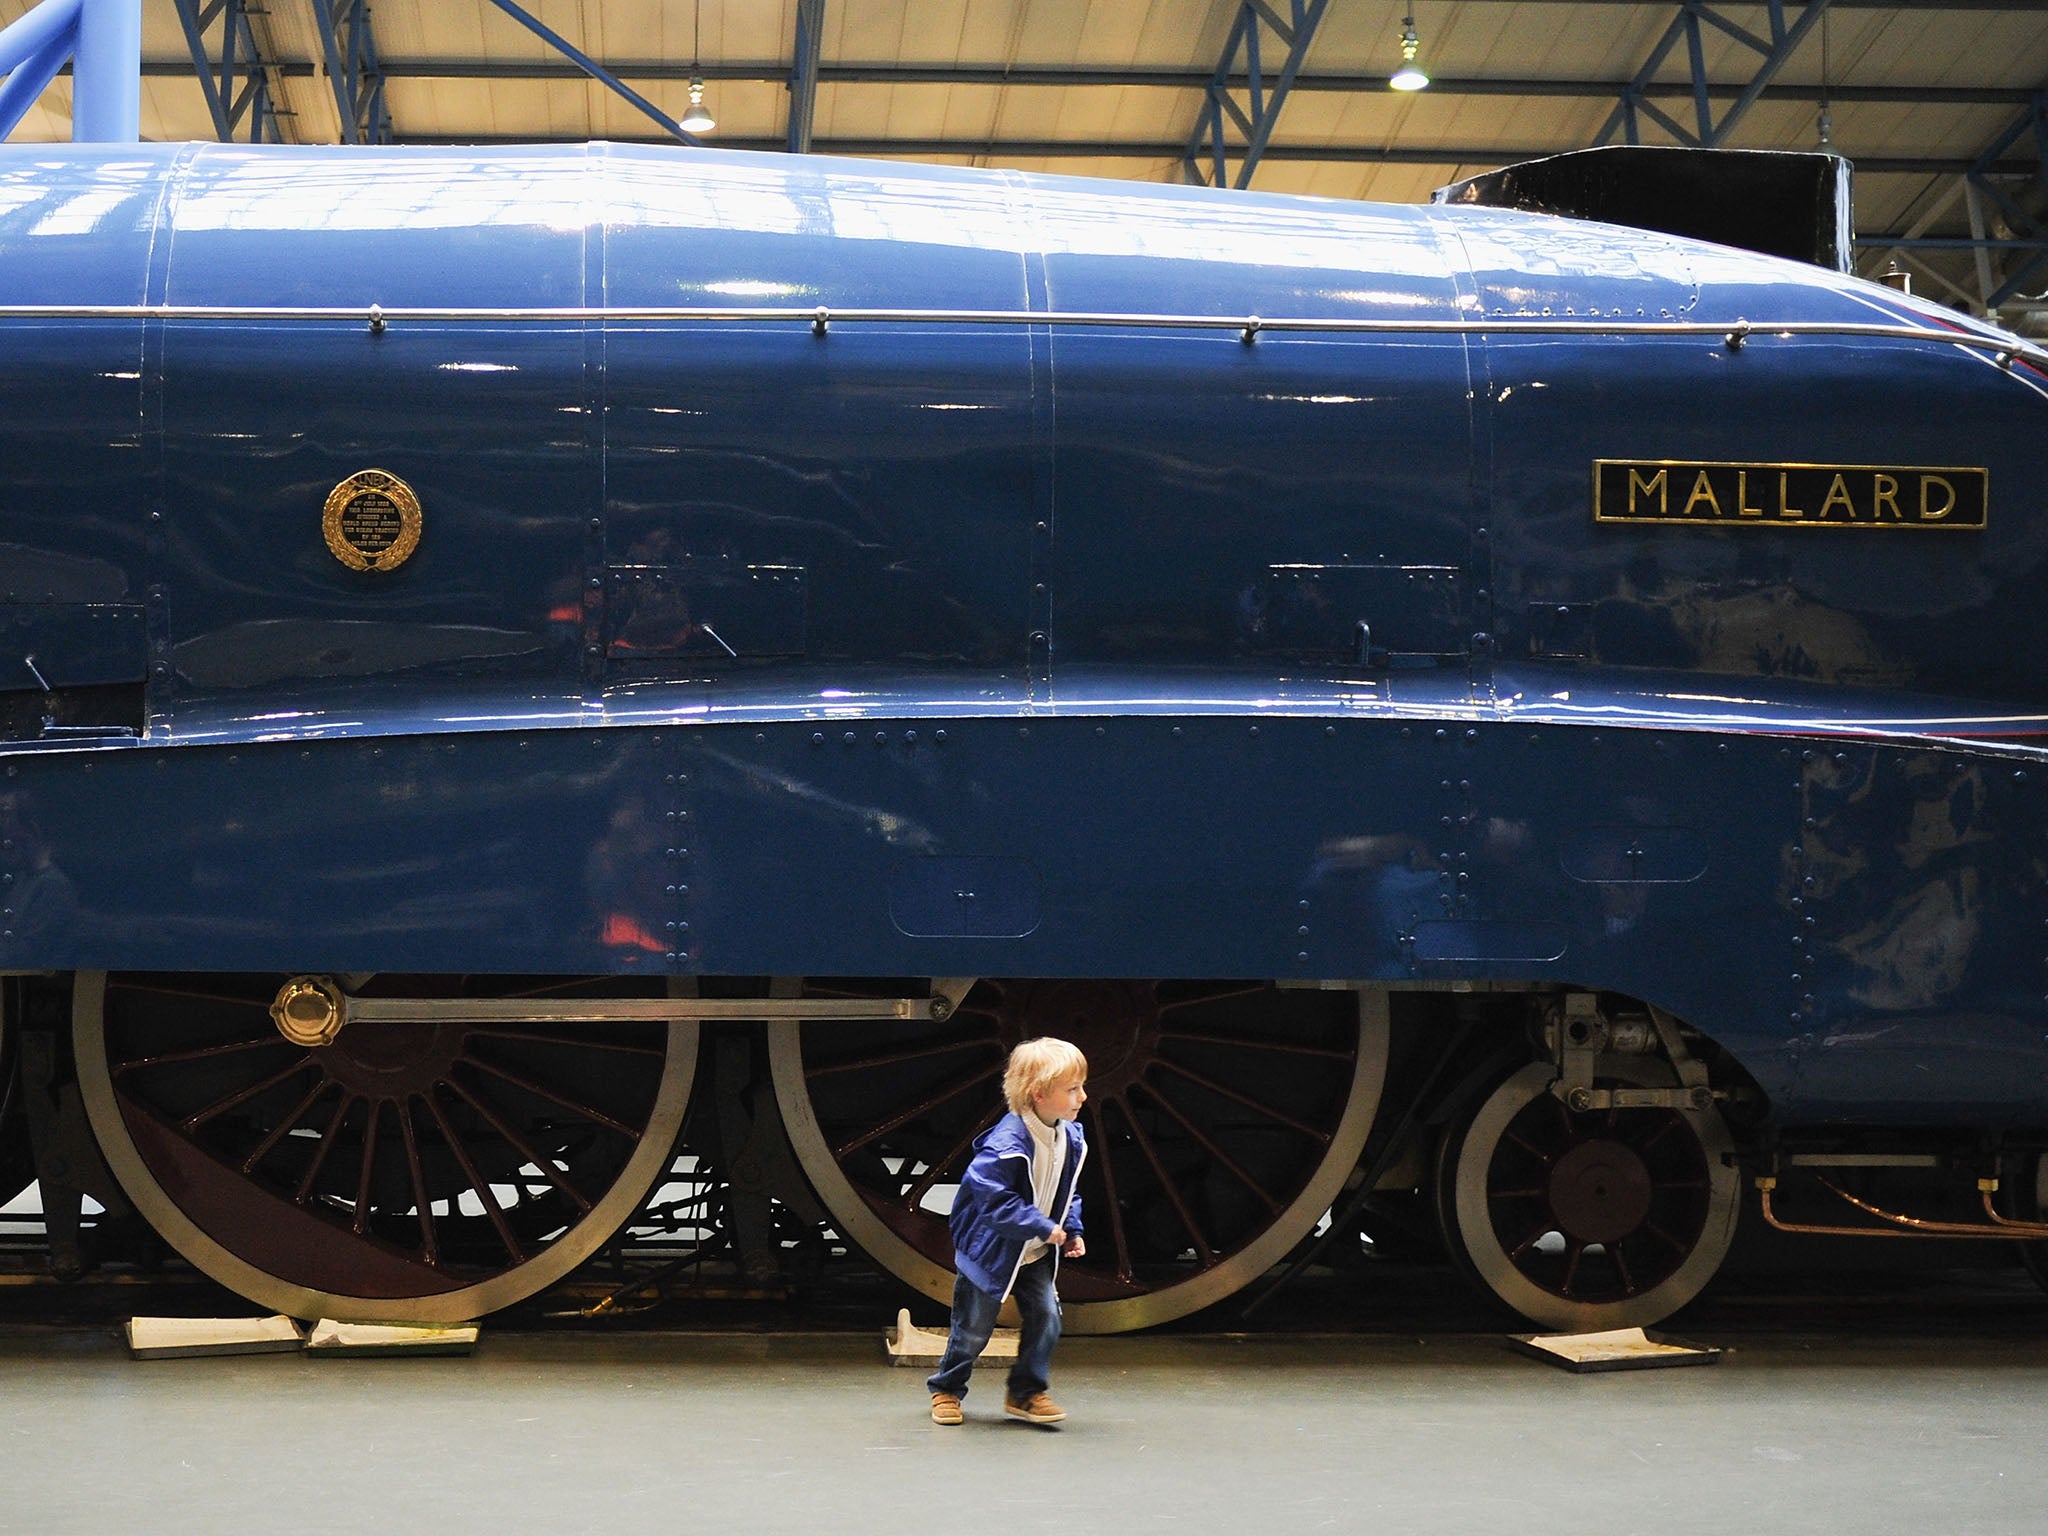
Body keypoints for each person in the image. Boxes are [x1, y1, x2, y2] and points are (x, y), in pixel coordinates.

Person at [927, 1037, 1088, 1427]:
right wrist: (1043, 1226)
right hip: (991, 1250)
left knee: (1047, 1317)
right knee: (973, 1331)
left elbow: (1067, 1191)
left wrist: (1071, 1227)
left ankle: (1026, 1392)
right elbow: (994, 1203)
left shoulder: (1068, 1137)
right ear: (1038, 1094)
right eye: (1072, 1089)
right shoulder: (1005, 1144)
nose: (1082, 1096)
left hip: (1034, 1251)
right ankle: (947, 1388)